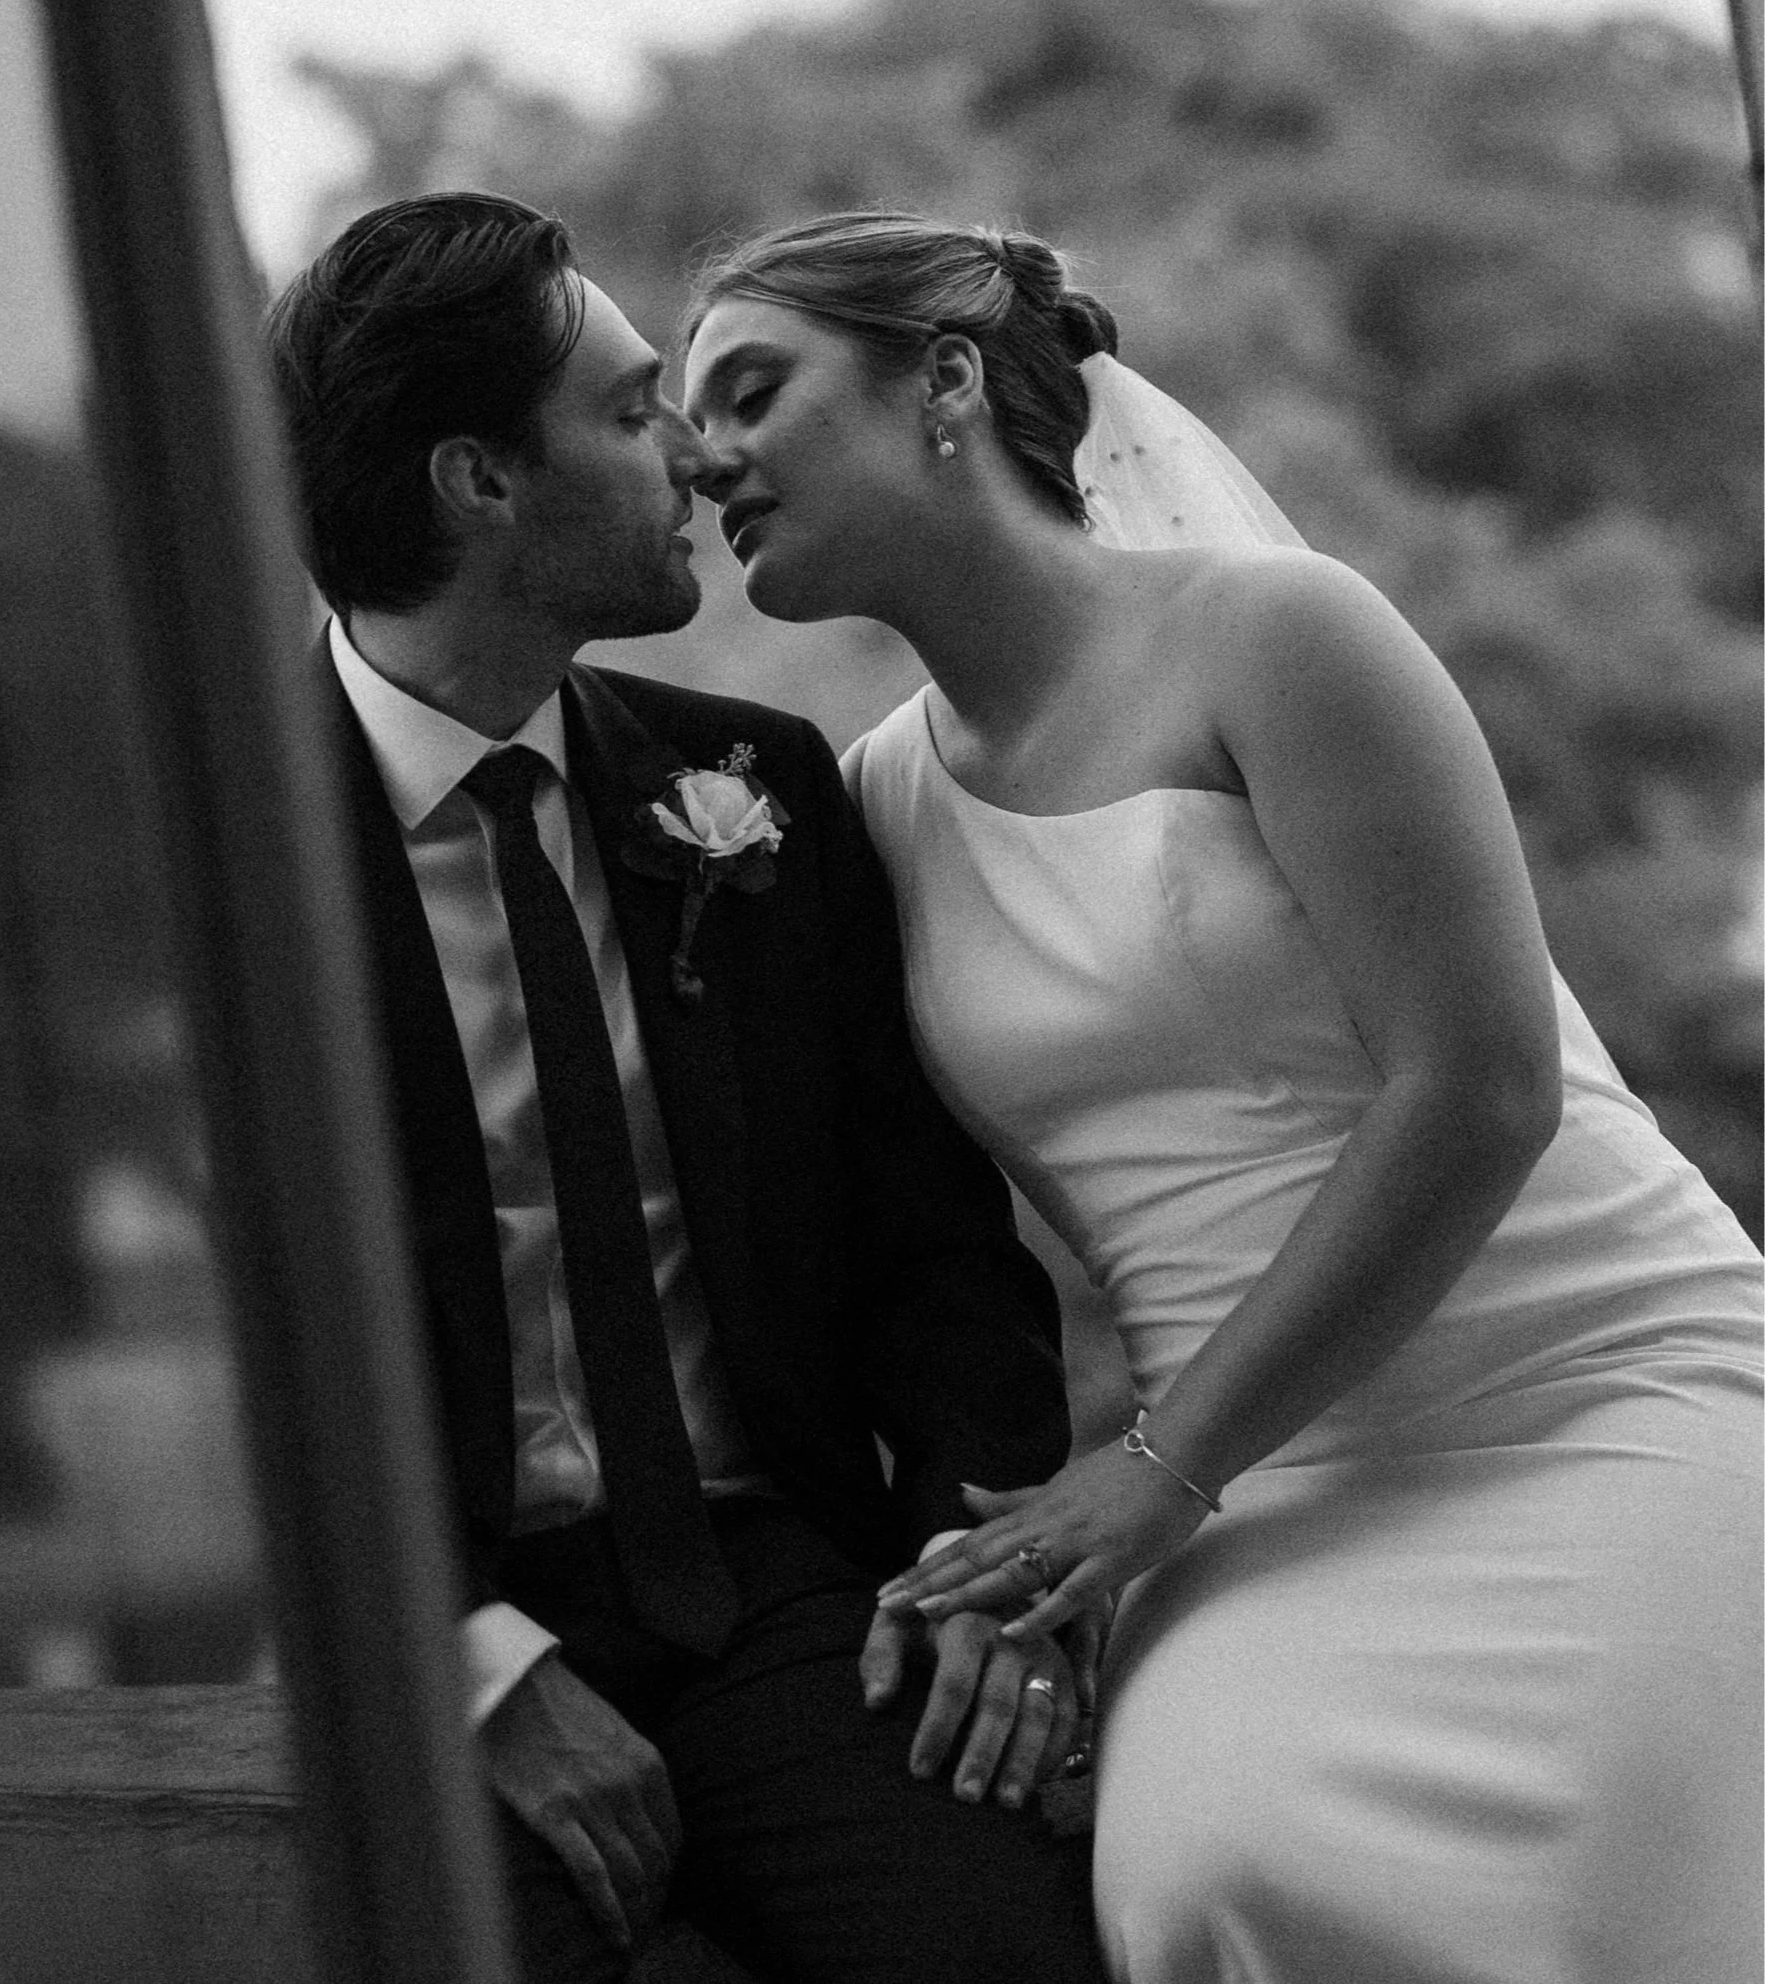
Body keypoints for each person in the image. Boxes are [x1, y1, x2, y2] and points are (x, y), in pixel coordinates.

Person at [680, 206, 1765, 1984]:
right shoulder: (862, 805)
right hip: (1260, 1487)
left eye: (750, 390)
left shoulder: (1276, 634)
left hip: (1588, 1379)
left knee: (1607, 1861)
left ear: (942, 380)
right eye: (686, 417)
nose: (701, 454)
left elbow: (1482, 1087)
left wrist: (1153, 1473)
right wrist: (995, 1552)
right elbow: (904, 1253)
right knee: (1213, 1872)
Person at [263, 193, 1102, 1984]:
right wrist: (462, 1660)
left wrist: (975, 1581)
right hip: (423, 1645)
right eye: (634, 409)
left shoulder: (757, 785)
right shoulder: (210, 863)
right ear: (480, 480)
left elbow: (937, 1261)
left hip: (777, 1593)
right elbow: (205, 1364)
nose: (696, 459)